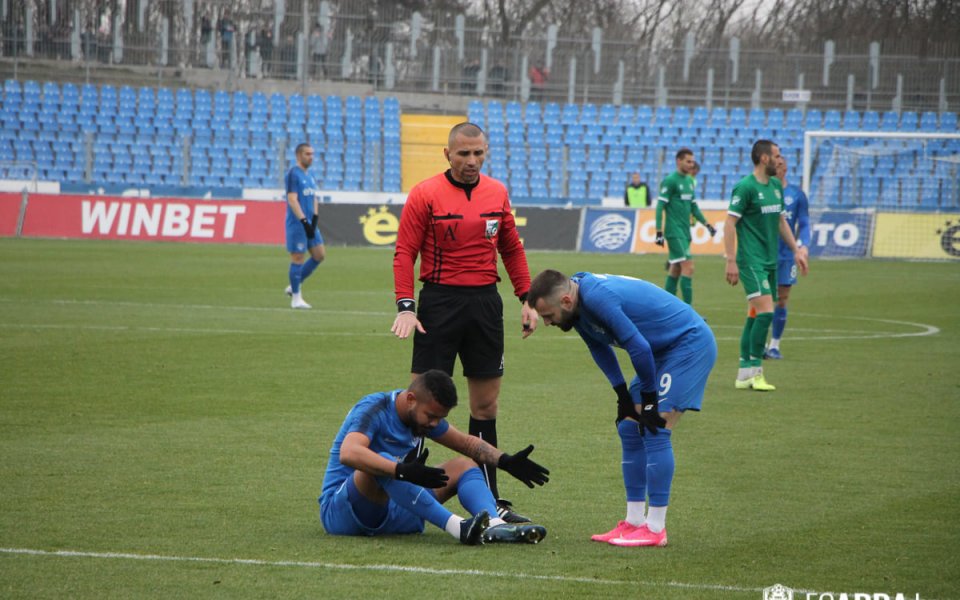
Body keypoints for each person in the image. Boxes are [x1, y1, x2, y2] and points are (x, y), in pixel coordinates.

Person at [391, 122, 539, 524]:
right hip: (438, 303)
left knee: (486, 406)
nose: (472, 161)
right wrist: (406, 306)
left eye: (478, 154)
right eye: (463, 154)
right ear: (447, 154)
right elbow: (404, 252)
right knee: (419, 403)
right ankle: (406, 491)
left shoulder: (498, 192)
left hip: (485, 305)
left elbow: (510, 247)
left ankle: (492, 501)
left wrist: (526, 299)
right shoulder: (425, 194)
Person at [526, 269, 717, 547]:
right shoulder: (576, 307)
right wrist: (621, 395)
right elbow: (599, 348)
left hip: (687, 344)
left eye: (548, 315)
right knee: (629, 426)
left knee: (656, 428)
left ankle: (655, 528)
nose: (546, 322)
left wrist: (650, 400)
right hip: (659, 351)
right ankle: (634, 521)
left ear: (566, 301)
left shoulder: (597, 298)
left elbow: (637, 345)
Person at [319, 370, 549, 545]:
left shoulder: (422, 415)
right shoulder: (373, 409)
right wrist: (401, 471)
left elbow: (466, 443)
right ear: (410, 399)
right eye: (431, 416)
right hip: (345, 513)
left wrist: (505, 460)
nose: (434, 424)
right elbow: (349, 453)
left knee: (464, 465)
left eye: (440, 418)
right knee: (382, 461)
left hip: (395, 510)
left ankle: (494, 526)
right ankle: (458, 527)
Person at [723, 140, 809, 391]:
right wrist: (730, 259)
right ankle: (756, 371)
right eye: (777, 156)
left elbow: (782, 222)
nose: (780, 160)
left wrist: (796, 250)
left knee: (753, 314)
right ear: (764, 159)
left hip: (771, 260)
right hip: (751, 260)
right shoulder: (745, 187)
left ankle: (743, 374)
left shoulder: (774, 186)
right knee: (766, 312)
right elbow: (730, 224)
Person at [654, 149, 716, 305]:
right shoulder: (670, 181)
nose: (691, 164)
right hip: (674, 232)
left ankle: (666, 305)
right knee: (689, 267)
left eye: (692, 161)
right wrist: (659, 231)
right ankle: (689, 311)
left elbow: (694, 207)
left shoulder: (689, 181)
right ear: (678, 161)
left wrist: (707, 224)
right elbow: (660, 206)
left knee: (676, 268)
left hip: (685, 232)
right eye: (688, 161)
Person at [764, 156, 810, 360]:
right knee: (761, 300)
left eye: (782, 165)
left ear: (786, 169)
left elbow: (805, 222)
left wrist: (804, 246)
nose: (779, 167)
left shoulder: (797, 195)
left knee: (782, 298)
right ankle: (757, 345)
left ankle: (774, 345)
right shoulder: (764, 192)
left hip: (785, 255)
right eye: (776, 164)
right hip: (764, 253)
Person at [283, 143, 326, 309]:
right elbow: (292, 199)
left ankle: (294, 283)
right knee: (298, 258)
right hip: (297, 224)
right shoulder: (294, 174)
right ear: (299, 155)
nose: (311, 157)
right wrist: (303, 221)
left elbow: (314, 197)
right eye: (308, 154)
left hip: (310, 223)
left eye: (312, 154)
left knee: (319, 255)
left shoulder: (310, 175)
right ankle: (296, 298)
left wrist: (314, 219)